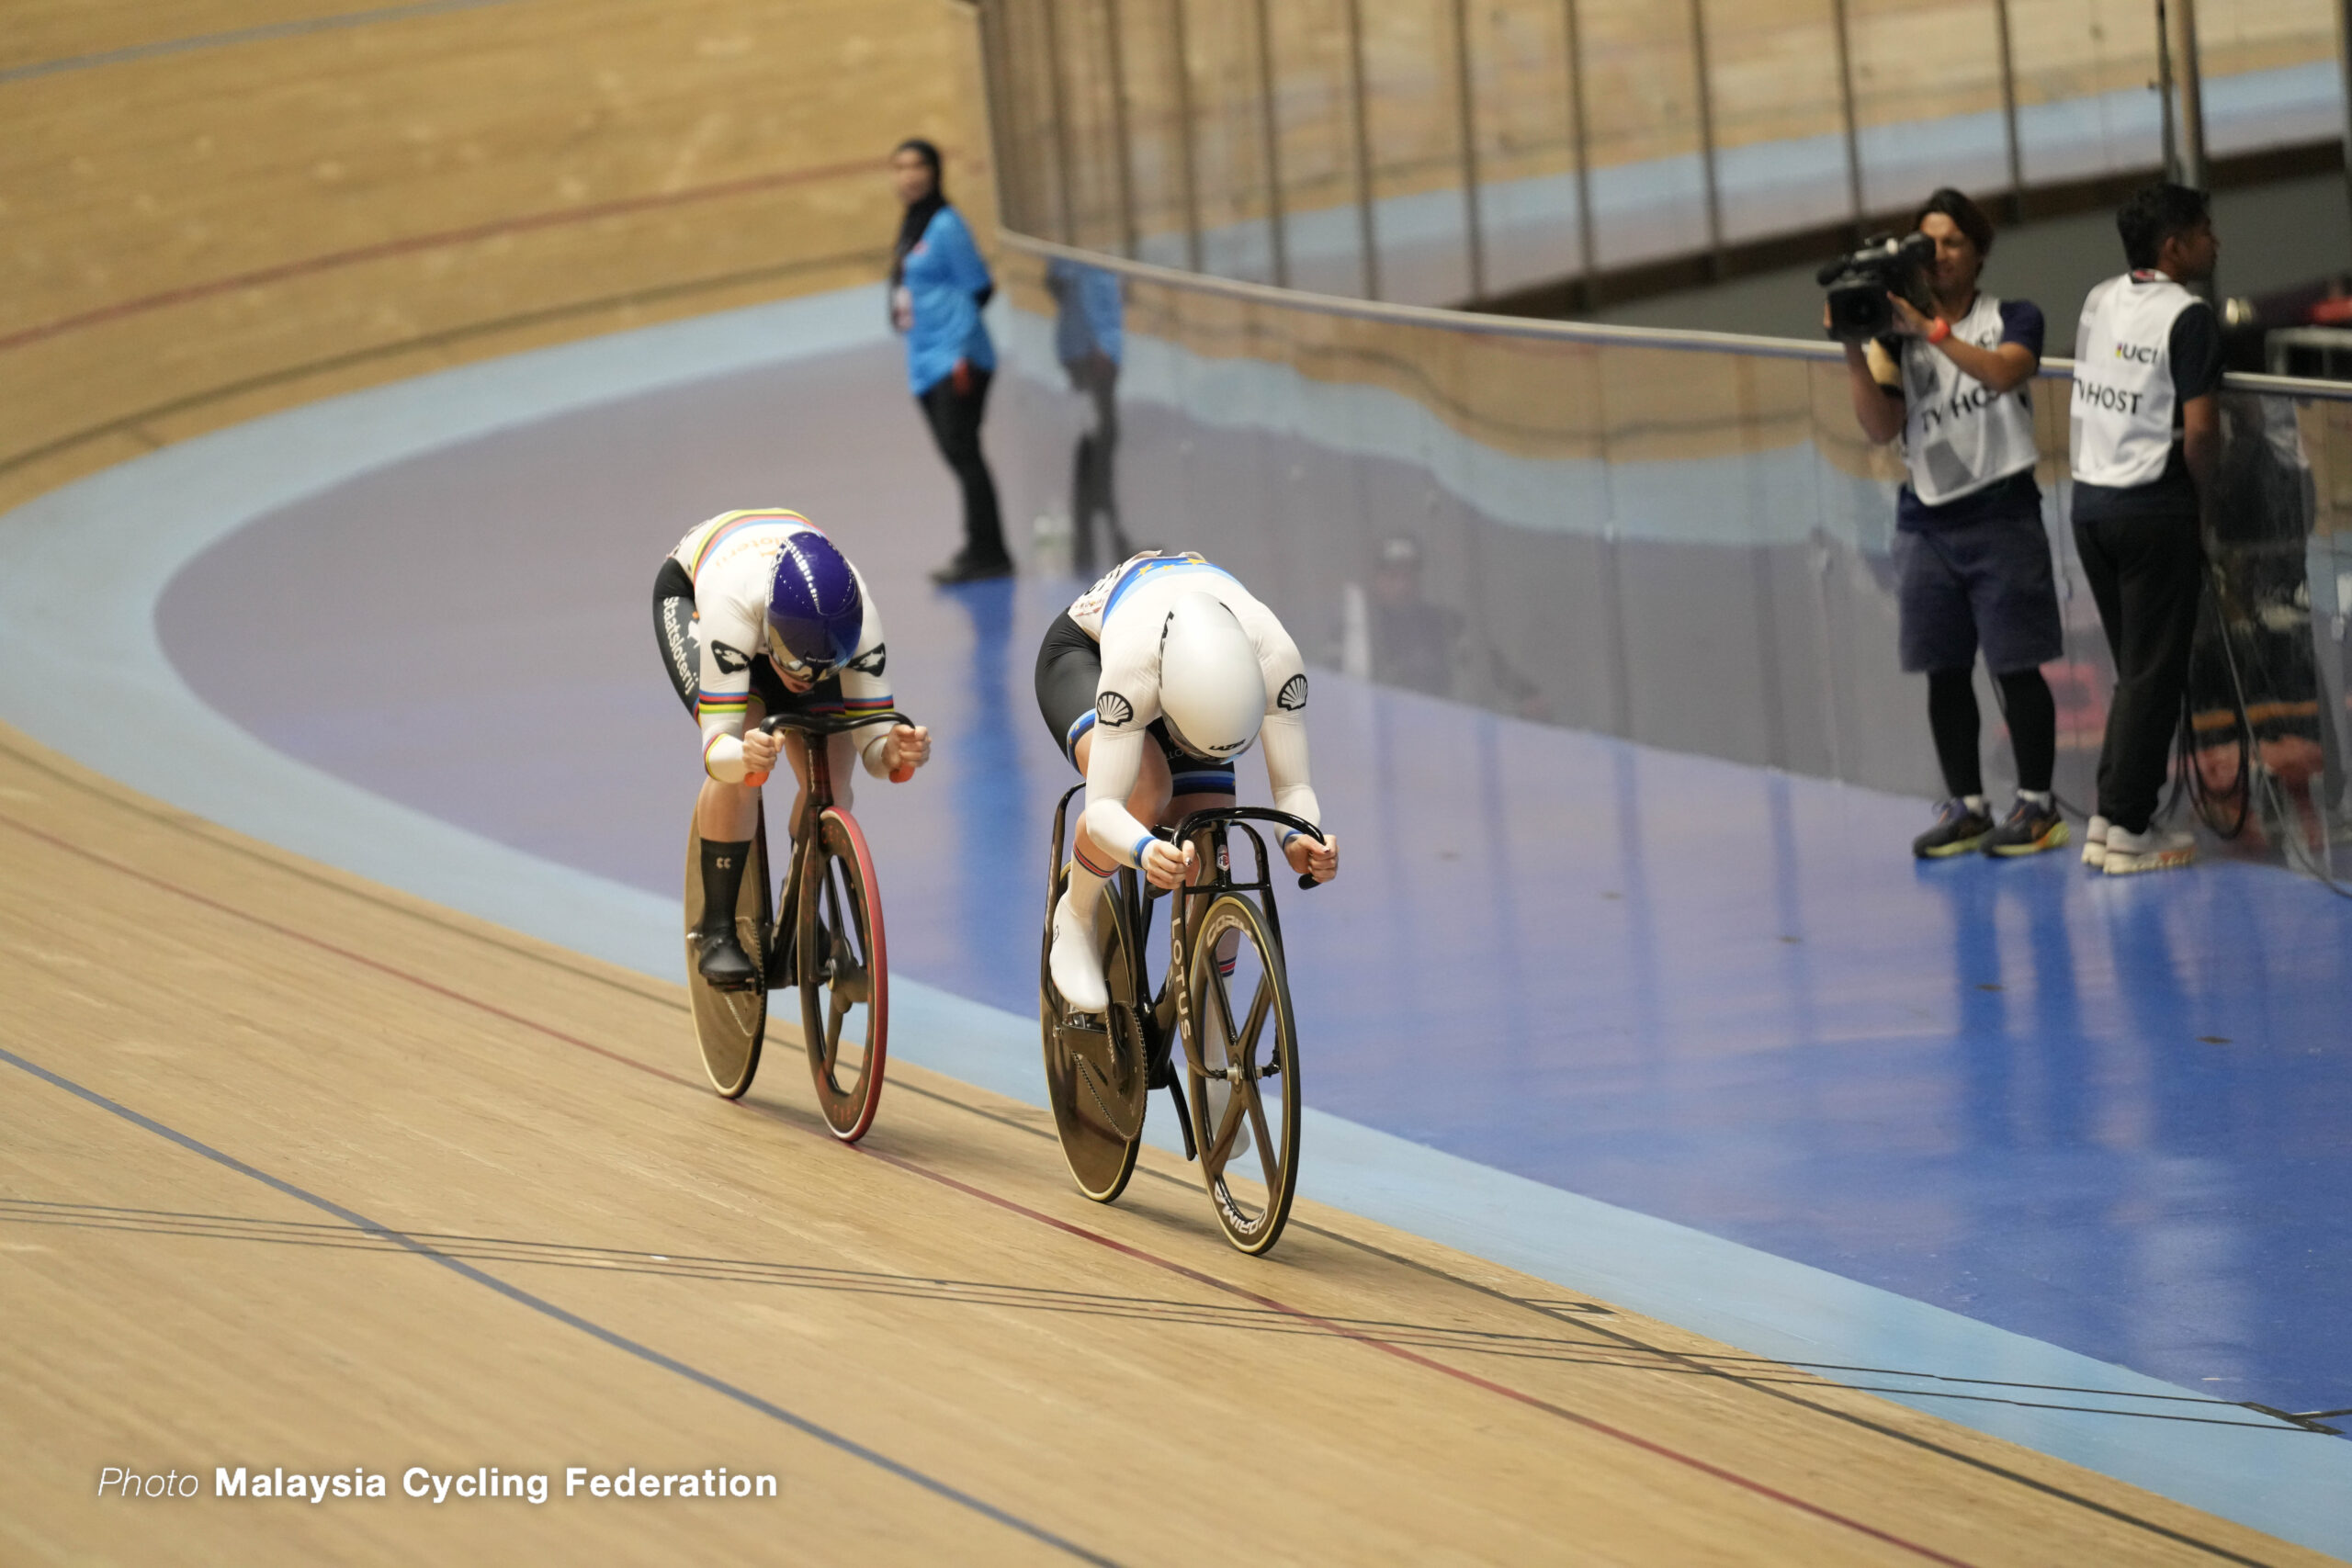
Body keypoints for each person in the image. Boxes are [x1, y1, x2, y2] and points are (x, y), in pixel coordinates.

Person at [1837, 187, 2067, 860]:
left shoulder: (2012, 316)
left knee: (2016, 664)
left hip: (2001, 509)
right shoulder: (1892, 338)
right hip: (1927, 518)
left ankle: (2038, 804)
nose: (1937, 255)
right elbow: (1881, 428)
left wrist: (1931, 330)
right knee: (1944, 667)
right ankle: (1967, 805)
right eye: (1926, 243)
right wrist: (1855, 348)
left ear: (1979, 253)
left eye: (1953, 243)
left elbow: (2002, 374)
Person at [654, 509, 931, 987]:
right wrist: (740, 756)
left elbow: (873, 749)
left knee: (834, 785)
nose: (807, 682)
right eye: (798, 668)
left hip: (800, 623)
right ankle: (717, 928)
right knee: (744, 764)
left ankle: (798, 905)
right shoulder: (732, 608)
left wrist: (895, 753)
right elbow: (716, 745)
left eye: (821, 670)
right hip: (701, 593)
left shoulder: (859, 623)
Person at [2069, 183, 2224, 874]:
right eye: (2204, 231)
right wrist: (2204, 504)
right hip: (2152, 506)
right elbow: (2199, 430)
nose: (2215, 242)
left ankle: (2108, 817)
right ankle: (2131, 826)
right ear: (2173, 247)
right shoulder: (2188, 316)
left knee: (2135, 672)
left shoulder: (2099, 298)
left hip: (2089, 505)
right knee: (2153, 674)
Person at [888, 139, 1012, 585]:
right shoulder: (913, 226)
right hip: (924, 361)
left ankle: (988, 552)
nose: (909, 175)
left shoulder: (945, 226)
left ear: (935, 171)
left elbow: (979, 286)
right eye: (900, 167)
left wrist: (959, 351)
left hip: (955, 360)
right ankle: (982, 546)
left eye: (918, 165)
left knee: (964, 454)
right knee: (959, 454)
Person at [1046, 256, 1135, 575]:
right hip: (1092, 356)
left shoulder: (1074, 265)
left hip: (1087, 352)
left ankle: (1098, 541)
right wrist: (1102, 349)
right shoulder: (1085, 265)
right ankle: (1103, 540)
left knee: (1096, 446)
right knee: (1099, 448)